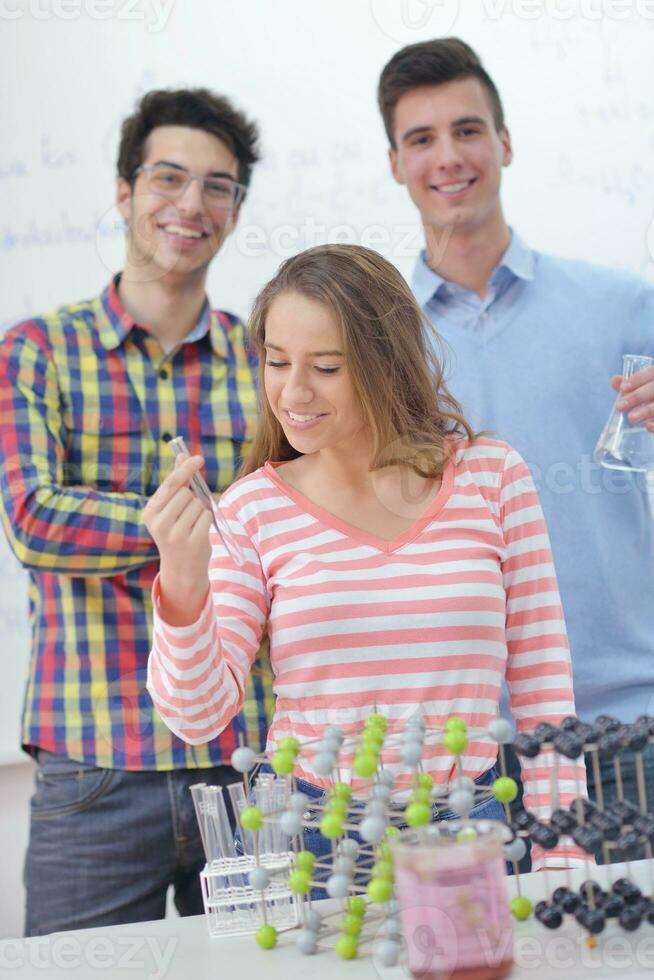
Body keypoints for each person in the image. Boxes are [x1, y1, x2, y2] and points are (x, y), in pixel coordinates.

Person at [144, 243, 587, 871]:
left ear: (385, 366)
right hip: (311, 836)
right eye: (276, 361)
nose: (293, 391)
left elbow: (542, 681)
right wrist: (183, 585)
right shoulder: (251, 511)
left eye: (326, 367)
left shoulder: (493, 477)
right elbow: (198, 716)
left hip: (470, 821)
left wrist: (563, 849)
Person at [0, 88, 273, 936]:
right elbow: (35, 522)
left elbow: (297, 522)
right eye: (168, 178)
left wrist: (189, 529)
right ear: (125, 192)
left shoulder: (269, 357)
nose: (191, 205)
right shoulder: (35, 351)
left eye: (218, 186)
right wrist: (203, 523)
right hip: (95, 763)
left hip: (249, 761)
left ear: (234, 210)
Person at [377, 38, 654, 834]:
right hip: (456, 750)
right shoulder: (372, 343)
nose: (449, 156)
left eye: (468, 130)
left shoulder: (622, 304)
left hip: (624, 724)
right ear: (395, 163)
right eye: (421, 139)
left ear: (504, 142)